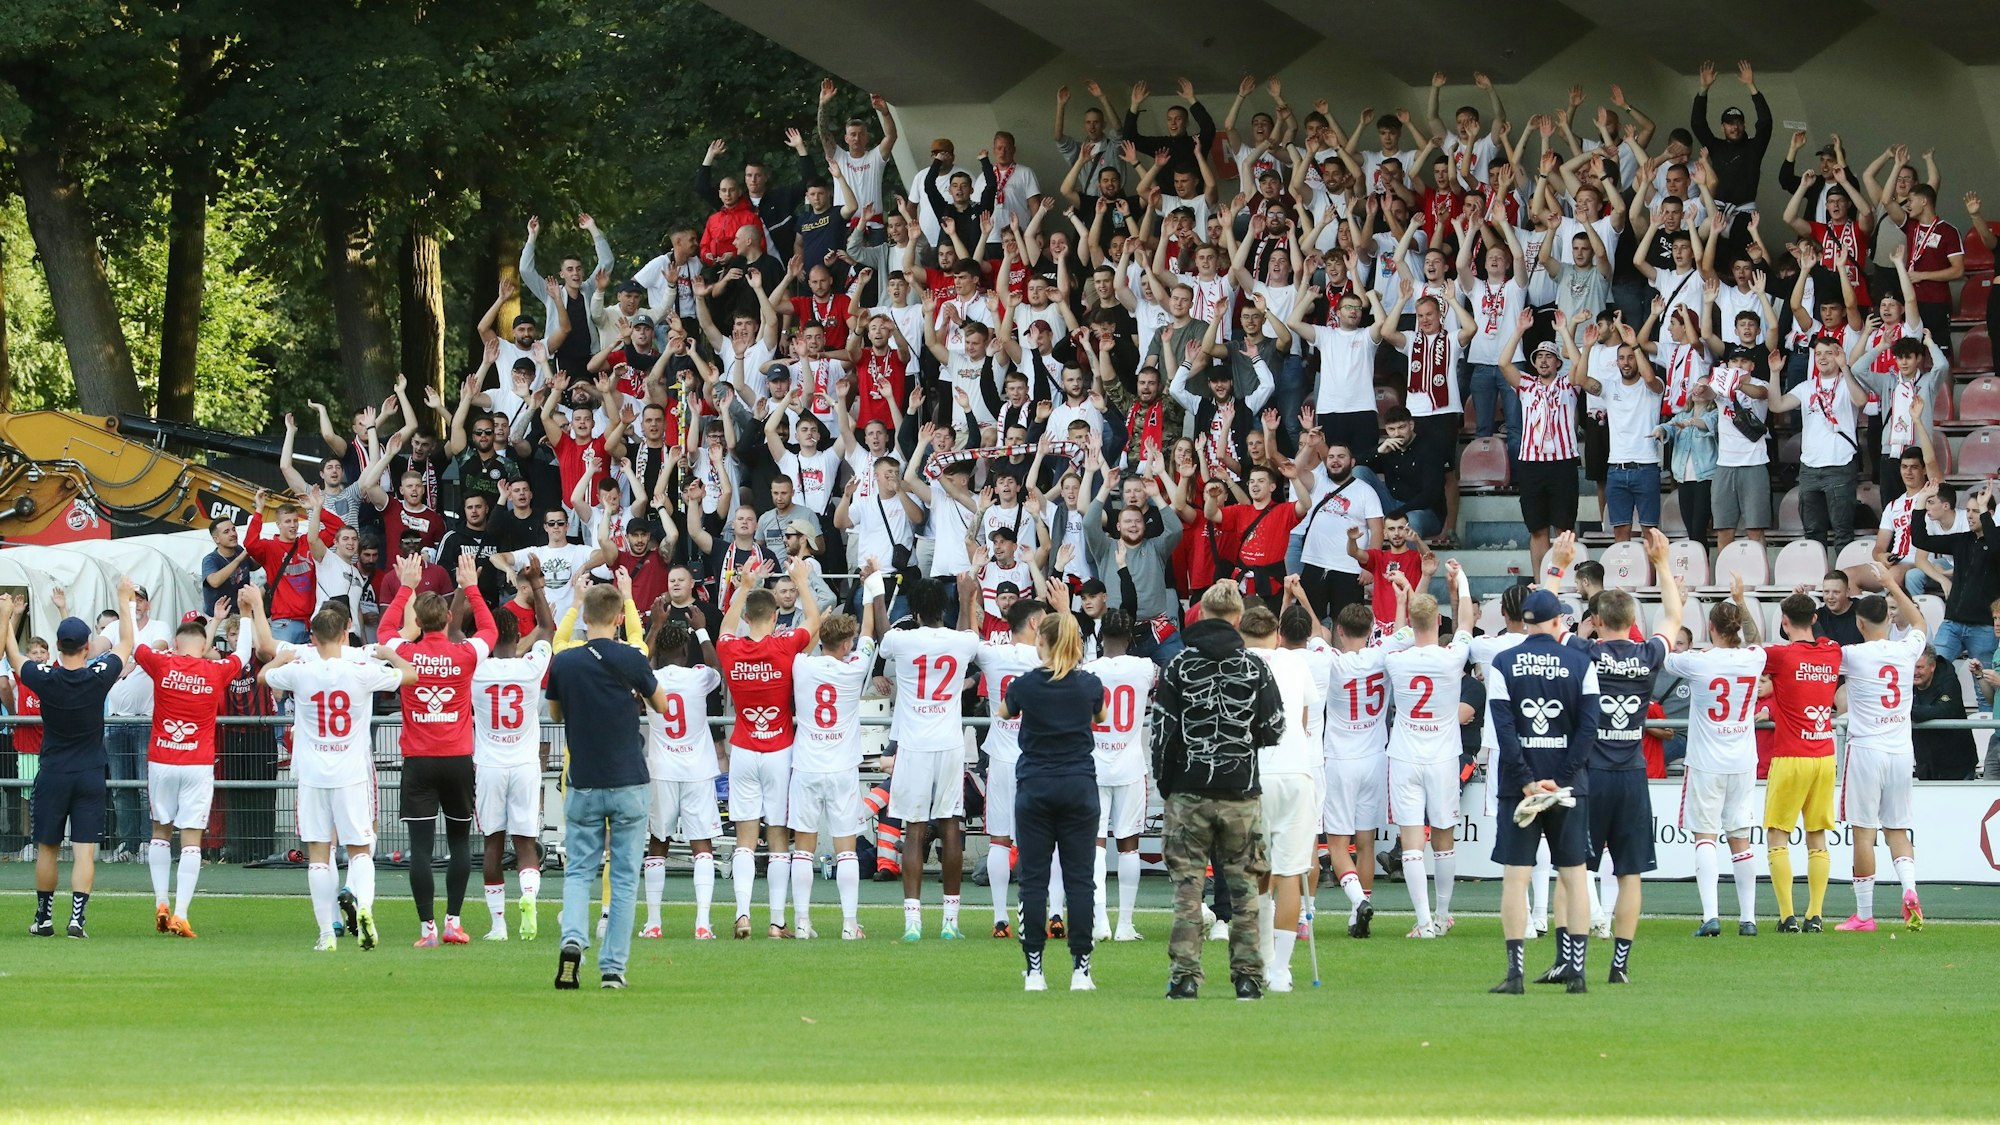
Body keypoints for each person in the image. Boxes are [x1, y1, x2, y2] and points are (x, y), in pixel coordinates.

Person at [1152, 581, 1285, 1001]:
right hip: (1241, 791)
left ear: (1202, 614)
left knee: (1188, 890)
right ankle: (1247, 976)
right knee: (1245, 889)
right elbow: (1275, 727)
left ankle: (1185, 977)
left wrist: (1169, 785)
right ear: (1237, 618)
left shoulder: (1176, 666)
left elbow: (1162, 735)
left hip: (1188, 791)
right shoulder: (1255, 667)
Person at [259, 606, 414, 951]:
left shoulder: (301, 670)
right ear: (346, 634)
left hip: (313, 774)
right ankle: (359, 903)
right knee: (360, 850)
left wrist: (279, 660)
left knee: (318, 851)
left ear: (311, 639)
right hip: (351, 773)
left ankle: (326, 934)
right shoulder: (360, 669)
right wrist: (389, 653)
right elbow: (410, 676)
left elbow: (263, 677)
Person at [547, 583, 675, 989]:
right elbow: (664, 705)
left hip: (583, 779)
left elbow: (554, 713)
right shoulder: (631, 657)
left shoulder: (565, 662)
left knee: (578, 872)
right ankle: (613, 969)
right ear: (619, 618)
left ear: (584, 617)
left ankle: (572, 941)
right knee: (621, 878)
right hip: (627, 781)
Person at [1568, 530, 1680, 984]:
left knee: (1576, 871)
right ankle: (1620, 967)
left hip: (1592, 776)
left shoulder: (1584, 652)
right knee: (1630, 873)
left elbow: (1546, 623)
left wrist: (1557, 566)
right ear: (1633, 618)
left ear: (1597, 619)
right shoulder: (1649, 654)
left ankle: (1574, 963)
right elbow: (1674, 615)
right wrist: (1665, 564)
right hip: (1633, 773)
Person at [0, 582, 137, 938]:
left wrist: (6, 617)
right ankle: (77, 919)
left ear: (57, 647)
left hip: (54, 773)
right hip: (90, 772)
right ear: (88, 646)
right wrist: (124, 601)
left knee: (47, 847)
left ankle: (44, 918)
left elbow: (12, 656)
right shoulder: (98, 675)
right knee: (84, 850)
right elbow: (126, 643)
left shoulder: (45, 678)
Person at [1487, 589, 1601, 994]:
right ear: (1557, 623)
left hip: (1520, 787)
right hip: (1568, 787)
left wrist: (1526, 781)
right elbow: (1589, 728)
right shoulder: (1580, 661)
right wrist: (1564, 776)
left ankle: (1515, 974)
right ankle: (1578, 972)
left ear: (1522, 621)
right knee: (1574, 878)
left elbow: (1504, 730)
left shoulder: (1503, 662)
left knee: (1515, 880)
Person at [379, 553, 496, 947]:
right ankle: (453, 922)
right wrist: (472, 588)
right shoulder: (464, 654)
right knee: (461, 843)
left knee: (420, 848)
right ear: (448, 620)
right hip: (459, 760)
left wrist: (406, 588)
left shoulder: (406, 653)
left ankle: (427, 928)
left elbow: (383, 633)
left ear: (419, 620)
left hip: (419, 761)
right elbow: (491, 633)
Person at [996, 610, 1105, 992]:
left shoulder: (1026, 684)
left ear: (1040, 639)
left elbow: (1004, 711)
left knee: (1033, 880)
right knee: (1080, 881)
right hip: (1078, 786)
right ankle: (1081, 971)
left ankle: (1035, 971)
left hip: (1036, 786)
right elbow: (1101, 714)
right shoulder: (1089, 683)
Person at [716, 557, 823, 939]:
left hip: (743, 748)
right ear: (776, 617)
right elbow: (814, 623)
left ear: (748, 618)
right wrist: (802, 582)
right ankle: (777, 922)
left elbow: (724, 628)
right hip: (780, 748)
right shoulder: (783, 646)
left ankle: (743, 915)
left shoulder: (731, 649)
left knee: (745, 836)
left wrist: (743, 586)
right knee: (778, 835)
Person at [136, 596, 255, 938]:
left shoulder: (163, 665)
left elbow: (134, 645)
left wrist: (127, 605)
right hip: (197, 763)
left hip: (162, 758)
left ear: (175, 644)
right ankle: (182, 913)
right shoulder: (214, 670)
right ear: (204, 647)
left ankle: (161, 901)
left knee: (160, 831)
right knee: (191, 840)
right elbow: (243, 656)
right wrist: (245, 617)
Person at [878, 577, 983, 940]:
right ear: (943, 609)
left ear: (916, 611)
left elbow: (881, 636)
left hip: (913, 745)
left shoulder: (903, 639)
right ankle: (950, 922)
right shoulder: (961, 641)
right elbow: (969, 634)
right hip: (950, 743)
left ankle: (912, 922)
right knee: (951, 824)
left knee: (914, 828)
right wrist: (968, 598)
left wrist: (877, 591)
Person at [1661, 576, 1764, 937]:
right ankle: (1749, 919)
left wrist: (1677, 602)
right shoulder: (1754, 659)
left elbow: (1661, 653)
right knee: (1741, 838)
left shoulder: (1698, 662)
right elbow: (1757, 638)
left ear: (1710, 628)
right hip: (1742, 759)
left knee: (1705, 836)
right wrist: (1741, 598)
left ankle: (1711, 916)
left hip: (1706, 760)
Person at [1383, 559, 1477, 938]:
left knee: (1410, 839)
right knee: (1442, 836)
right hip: (1442, 757)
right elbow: (1467, 624)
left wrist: (1402, 601)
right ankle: (1441, 914)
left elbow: (1397, 635)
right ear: (1439, 623)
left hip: (1405, 755)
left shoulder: (1395, 658)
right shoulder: (1452, 656)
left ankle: (1423, 922)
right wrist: (1462, 583)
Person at [1836, 568, 1929, 933]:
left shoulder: (1853, 655)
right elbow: (1919, 620)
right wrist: (1892, 583)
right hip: (1901, 751)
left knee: (1863, 833)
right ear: (1888, 619)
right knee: (1897, 829)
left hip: (1866, 749)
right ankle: (1909, 890)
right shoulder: (1907, 651)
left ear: (1860, 624)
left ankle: (1864, 914)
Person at [1237, 605, 1323, 993]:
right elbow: (1303, 720)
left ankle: (1264, 959)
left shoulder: (1234, 663)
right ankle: (1281, 971)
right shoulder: (1294, 661)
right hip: (1295, 769)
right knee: (1290, 872)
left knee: (1257, 872)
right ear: (1276, 634)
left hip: (1253, 773)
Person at [786, 596, 879, 941]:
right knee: (846, 849)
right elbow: (869, 632)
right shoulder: (854, 669)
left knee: (804, 847)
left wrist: (818, 625)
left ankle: (801, 922)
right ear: (845, 644)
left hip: (807, 766)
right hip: (841, 768)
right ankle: (849, 924)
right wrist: (869, 593)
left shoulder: (801, 666)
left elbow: (802, 646)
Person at [1759, 591, 1842, 932]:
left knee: (1778, 834)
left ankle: (1787, 916)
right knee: (1817, 835)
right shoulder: (1832, 651)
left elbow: (1748, 654)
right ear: (1813, 618)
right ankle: (1816, 915)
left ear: (1783, 621)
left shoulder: (1779, 656)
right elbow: (1824, 642)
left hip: (1791, 755)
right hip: (1824, 754)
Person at [470, 607, 553, 942]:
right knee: (526, 842)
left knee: (493, 843)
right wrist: (536, 585)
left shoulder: (476, 668)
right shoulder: (531, 666)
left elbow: (456, 637)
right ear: (519, 637)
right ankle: (529, 899)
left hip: (490, 766)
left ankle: (498, 926)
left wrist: (466, 589)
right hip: (524, 766)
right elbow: (547, 628)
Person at [641, 620, 725, 940]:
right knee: (701, 844)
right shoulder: (698, 676)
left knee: (658, 843)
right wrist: (702, 630)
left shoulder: (650, 678)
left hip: (662, 769)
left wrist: (655, 629)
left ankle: (653, 923)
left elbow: (640, 664)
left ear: (660, 652)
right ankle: (702, 924)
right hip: (697, 769)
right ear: (685, 650)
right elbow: (716, 668)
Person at [974, 593, 1047, 939]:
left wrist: (966, 598)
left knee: (999, 841)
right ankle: (1052, 914)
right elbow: (1075, 658)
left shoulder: (992, 653)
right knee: (1048, 841)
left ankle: (1001, 918)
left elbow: (967, 644)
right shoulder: (1044, 657)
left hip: (1002, 759)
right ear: (1034, 623)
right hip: (1037, 759)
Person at [1081, 609, 1156, 944]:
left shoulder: (1087, 671)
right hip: (1129, 766)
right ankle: (1125, 923)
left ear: (1100, 638)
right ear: (1129, 638)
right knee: (1129, 846)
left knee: (1094, 845)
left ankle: (1099, 921)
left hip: (1093, 765)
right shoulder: (1144, 668)